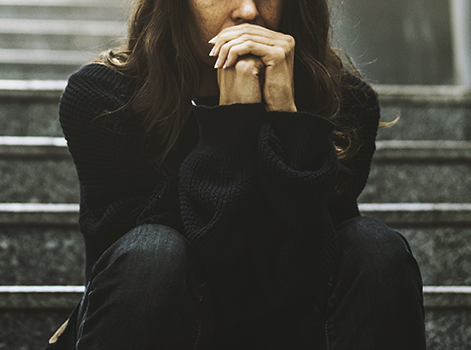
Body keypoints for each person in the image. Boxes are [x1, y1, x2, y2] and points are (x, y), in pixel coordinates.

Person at [44, 0, 426, 349]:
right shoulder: (105, 97)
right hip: (170, 323)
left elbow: (310, 257)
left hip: (293, 324)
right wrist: (234, 124)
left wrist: (288, 121)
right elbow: (149, 268)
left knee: (374, 247)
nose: (247, 11)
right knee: (155, 250)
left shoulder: (346, 102)